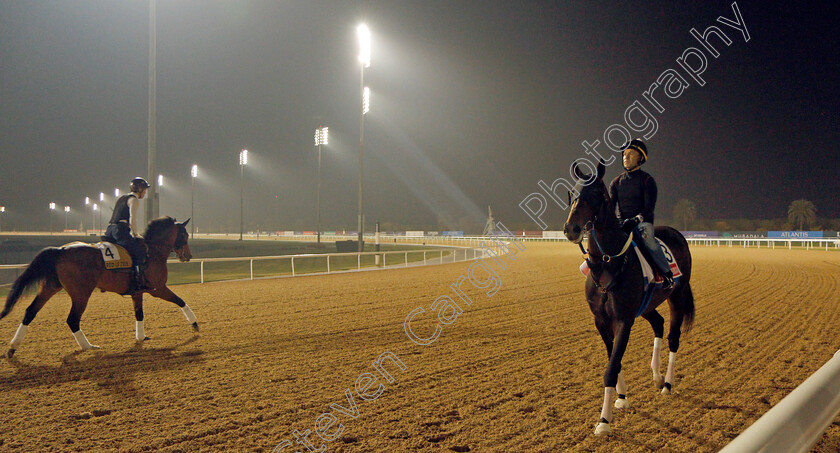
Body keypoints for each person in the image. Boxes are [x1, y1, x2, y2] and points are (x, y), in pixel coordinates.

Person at [608, 139, 675, 289]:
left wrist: (636, 220)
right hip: (622, 224)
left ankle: (667, 274)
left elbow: (649, 208)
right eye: (624, 154)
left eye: (631, 154)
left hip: (642, 224)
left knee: (648, 241)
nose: (626, 157)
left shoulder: (647, 180)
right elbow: (611, 208)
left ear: (640, 158)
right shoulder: (616, 182)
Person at [104, 177, 151, 292]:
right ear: (139, 189)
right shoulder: (134, 200)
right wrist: (136, 234)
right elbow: (132, 219)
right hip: (119, 231)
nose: (145, 192)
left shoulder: (122, 198)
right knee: (139, 253)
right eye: (144, 190)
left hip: (109, 230)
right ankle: (137, 282)